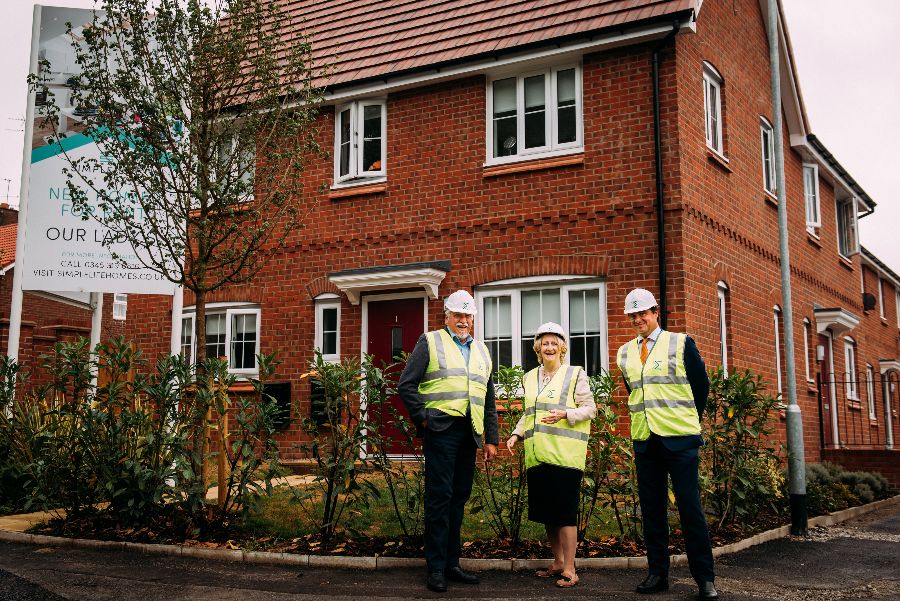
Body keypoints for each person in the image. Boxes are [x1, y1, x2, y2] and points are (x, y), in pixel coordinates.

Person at [616, 288, 718, 600]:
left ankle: (705, 579)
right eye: (632, 315)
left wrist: (688, 421)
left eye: (643, 313)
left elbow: (701, 387)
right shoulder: (624, 353)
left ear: (656, 312)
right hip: (646, 441)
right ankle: (657, 574)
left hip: (680, 440)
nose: (638, 319)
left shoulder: (680, 343)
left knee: (690, 509)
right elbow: (636, 392)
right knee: (652, 511)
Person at [398, 289, 499, 593]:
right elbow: (406, 384)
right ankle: (436, 567)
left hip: (469, 433)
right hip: (441, 430)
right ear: (447, 317)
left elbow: (489, 398)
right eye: (458, 315)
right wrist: (424, 418)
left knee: (458, 498)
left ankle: (453, 563)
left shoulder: (482, 350)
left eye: (468, 315)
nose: (463, 320)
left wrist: (491, 438)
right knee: (440, 498)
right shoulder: (430, 341)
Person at [506, 322, 596, 588]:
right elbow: (530, 412)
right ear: (538, 348)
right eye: (544, 343)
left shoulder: (574, 374)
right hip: (538, 455)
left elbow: (590, 408)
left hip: (566, 456)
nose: (549, 347)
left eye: (554, 343)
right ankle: (557, 561)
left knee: (565, 513)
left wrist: (567, 414)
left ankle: (570, 568)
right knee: (548, 513)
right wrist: (516, 434)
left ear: (562, 347)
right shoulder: (530, 377)